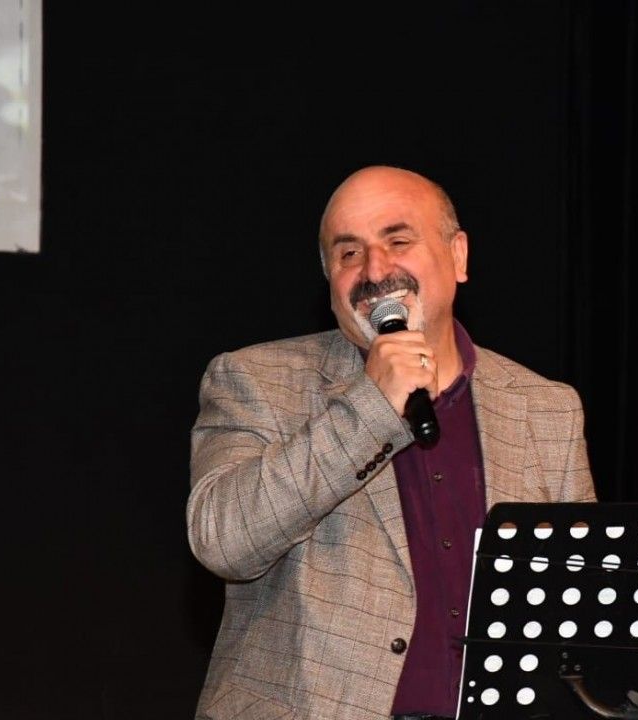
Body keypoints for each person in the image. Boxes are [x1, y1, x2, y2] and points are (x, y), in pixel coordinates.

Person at [187, 166, 596, 720]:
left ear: (458, 256)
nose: (375, 270)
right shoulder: (257, 380)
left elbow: (577, 602)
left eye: (398, 241)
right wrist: (371, 407)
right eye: (348, 253)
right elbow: (224, 541)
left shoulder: (546, 408)